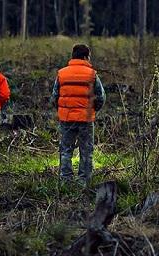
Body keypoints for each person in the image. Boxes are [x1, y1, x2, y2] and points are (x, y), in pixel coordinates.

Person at [51, 44, 106, 185]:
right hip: (86, 119)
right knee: (86, 151)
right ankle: (83, 181)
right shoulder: (92, 74)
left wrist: (62, 110)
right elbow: (101, 97)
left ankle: (65, 181)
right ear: (85, 56)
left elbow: (54, 97)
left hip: (66, 119)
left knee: (65, 151)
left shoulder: (61, 73)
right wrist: (93, 110)